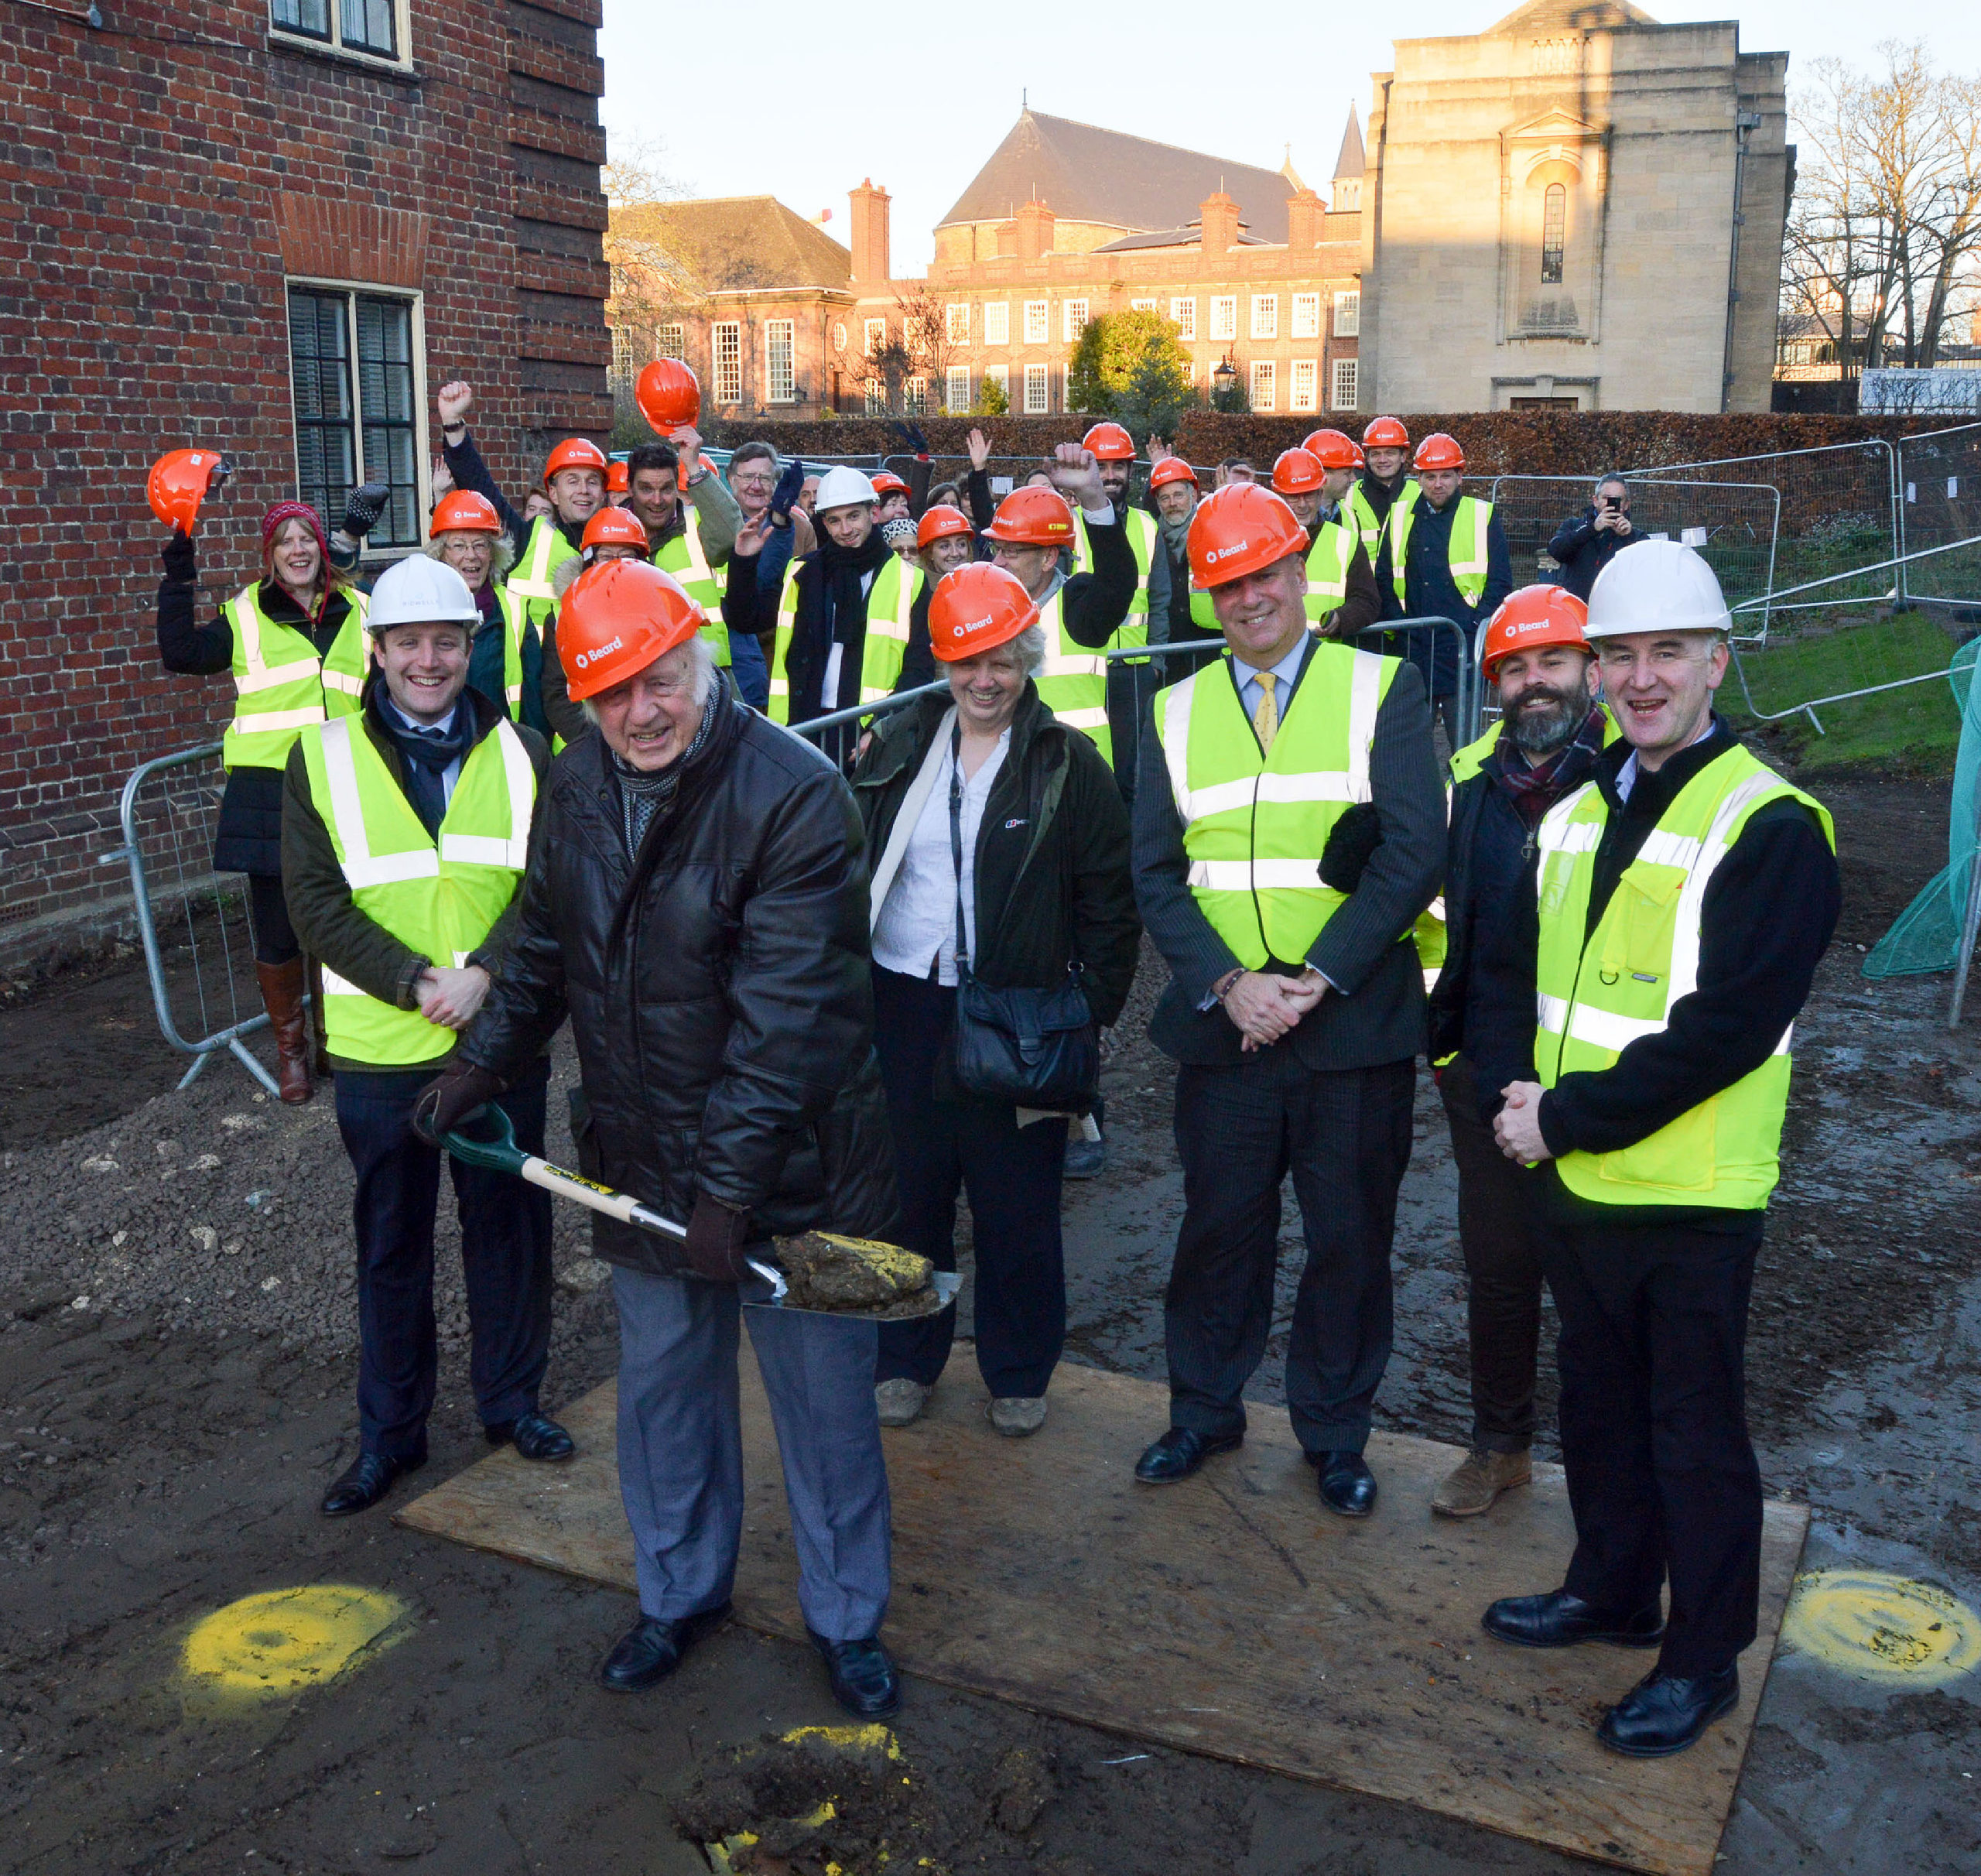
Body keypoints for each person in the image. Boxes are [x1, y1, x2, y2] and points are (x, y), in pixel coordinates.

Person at [416, 560, 906, 1717]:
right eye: (611, 693)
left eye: (659, 679)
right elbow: (542, 941)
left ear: (700, 660)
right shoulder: (580, 782)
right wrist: (481, 1059)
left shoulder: (792, 795)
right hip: (641, 1159)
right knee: (666, 1400)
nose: (641, 710)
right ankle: (680, 1594)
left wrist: (728, 1197)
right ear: (582, 705)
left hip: (801, 1168)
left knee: (825, 1412)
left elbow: (786, 1024)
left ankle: (847, 1622)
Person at [1485, 540, 1839, 1758]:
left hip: (1692, 1193)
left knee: (1694, 1431)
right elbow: (1546, 985)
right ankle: (1613, 1589)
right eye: (1619, 656)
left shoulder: (1773, 824)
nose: (1641, 680)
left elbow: (1728, 1030)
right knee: (1599, 1408)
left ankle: (1702, 1661)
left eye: (1666, 655)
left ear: (1716, 662)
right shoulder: (1582, 810)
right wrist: (1518, 1097)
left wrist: (1563, 1117)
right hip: (1582, 1182)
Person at [1129, 484, 1444, 1515]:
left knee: (1348, 1238)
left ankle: (1335, 1433)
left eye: (1265, 574)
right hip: (1231, 1030)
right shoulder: (1173, 710)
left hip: (1349, 1023)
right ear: (1207, 596)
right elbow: (1156, 875)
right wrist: (1229, 982)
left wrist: (1314, 979)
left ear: (1300, 572)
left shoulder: (1380, 688)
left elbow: (1413, 852)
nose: (1249, 597)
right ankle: (1203, 1410)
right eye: (1227, 584)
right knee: (1219, 1228)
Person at [280, 555, 569, 1517]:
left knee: (509, 1234)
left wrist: (484, 974)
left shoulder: (528, 750)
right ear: (378, 651)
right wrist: (412, 982)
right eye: (409, 643)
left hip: (498, 1044)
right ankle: (390, 1437)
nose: (429, 660)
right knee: (391, 1246)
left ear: (470, 643)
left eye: (446, 640)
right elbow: (315, 905)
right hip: (378, 1053)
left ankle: (510, 1405)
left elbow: (548, 889)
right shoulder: (318, 757)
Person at [854, 563, 1141, 1436]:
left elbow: (1108, 900)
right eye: (968, 660)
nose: (985, 680)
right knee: (908, 1200)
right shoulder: (900, 742)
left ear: (1028, 662)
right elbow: (853, 858)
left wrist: (1084, 1012)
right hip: (904, 1001)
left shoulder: (1067, 763)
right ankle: (905, 1357)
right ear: (942, 661)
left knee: (1016, 1208)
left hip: (1019, 1018)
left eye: (1003, 662)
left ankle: (1017, 1369)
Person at [1425, 586, 1608, 1518]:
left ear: (1590, 670)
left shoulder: (1631, 778)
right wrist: (1444, 1046)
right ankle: (1498, 1448)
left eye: (1553, 663)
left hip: (1597, 1084)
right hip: (1487, 1071)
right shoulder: (1470, 779)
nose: (1534, 683)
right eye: (1515, 668)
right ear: (1494, 681)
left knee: (1597, 1289)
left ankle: (1607, 1482)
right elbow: (1435, 918)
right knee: (1497, 1274)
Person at [156, 499, 372, 1102]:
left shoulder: (360, 609)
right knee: (278, 930)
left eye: (307, 538)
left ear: (320, 550)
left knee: (344, 918)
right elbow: (181, 654)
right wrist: (179, 573)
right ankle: (292, 1055)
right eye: (285, 542)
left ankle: (338, 1041)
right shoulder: (246, 614)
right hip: (269, 793)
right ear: (270, 556)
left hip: (345, 785)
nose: (298, 549)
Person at [724, 467, 928, 769]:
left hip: (867, 731)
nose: (845, 530)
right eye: (834, 520)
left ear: (873, 513)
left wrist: (884, 727)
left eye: (853, 516)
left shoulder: (910, 580)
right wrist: (743, 561)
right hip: (802, 728)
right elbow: (745, 619)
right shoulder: (802, 573)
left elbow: (918, 668)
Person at [433, 381, 606, 648]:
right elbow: (479, 485)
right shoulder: (528, 538)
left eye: (592, 481)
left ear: (603, 492)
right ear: (554, 493)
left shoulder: (622, 547)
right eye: (572, 481)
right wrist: (453, 423)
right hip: (535, 682)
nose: (584, 490)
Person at [1390, 432, 1512, 750]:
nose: (1438, 484)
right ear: (1418, 478)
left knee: (1468, 750)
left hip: (1462, 650)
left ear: (1460, 476)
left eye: (1446, 475)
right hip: (1414, 651)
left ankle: (1464, 801)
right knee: (1412, 752)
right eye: (1430, 476)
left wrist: (1475, 627)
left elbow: (1500, 582)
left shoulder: (1481, 515)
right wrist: (1398, 631)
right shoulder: (1400, 515)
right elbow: (1384, 577)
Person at [1076, 422, 1172, 806]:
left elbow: (1161, 601)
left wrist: (1157, 663)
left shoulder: (1149, 526)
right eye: (1102, 467)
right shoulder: (1067, 522)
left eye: (1118, 467)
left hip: (1134, 670)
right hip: (1083, 668)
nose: (1110, 476)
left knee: (1133, 773)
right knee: (1090, 769)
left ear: (1131, 473)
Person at [426, 489, 549, 740]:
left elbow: (535, 701)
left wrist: (536, 756)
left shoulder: (514, 610)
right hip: (439, 751)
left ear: (493, 552)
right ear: (441, 553)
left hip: (502, 749)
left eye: (480, 545)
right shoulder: (423, 610)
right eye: (459, 546)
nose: (471, 555)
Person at [1268, 446, 1382, 636]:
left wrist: (1341, 619)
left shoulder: (1346, 541)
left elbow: (1368, 601)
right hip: (1265, 659)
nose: (1303, 505)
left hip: (1322, 655)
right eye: (1294, 497)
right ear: (1278, 496)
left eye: (1309, 495)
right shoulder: (1259, 541)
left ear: (1321, 494)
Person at [1145, 452, 1221, 678]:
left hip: (1211, 651)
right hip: (1167, 654)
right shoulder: (1150, 535)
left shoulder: (1212, 530)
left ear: (1193, 495)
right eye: (1164, 498)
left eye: (1178, 495)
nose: (1172, 504)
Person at [1347, 415, 1415, 601]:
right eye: (1376, 454)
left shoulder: (1419, 496)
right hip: (1360, 603)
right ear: (1367, 458)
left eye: (1390, 453)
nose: (1382, 460)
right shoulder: (1348, 498)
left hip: (1406, 610)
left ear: (1403, 456)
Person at [1549, 475, 1637, 601]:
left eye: (1617, 499)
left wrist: (1628, 538)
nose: (1610, 504)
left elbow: (1646, 569)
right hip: (1576, 606)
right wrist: (1592, 529)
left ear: (1626, 505)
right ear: (1595, 500)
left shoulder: (1636, 535)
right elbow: (1556, 551)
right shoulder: (1574, 525)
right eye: (1606, 498)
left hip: (1617, 608)